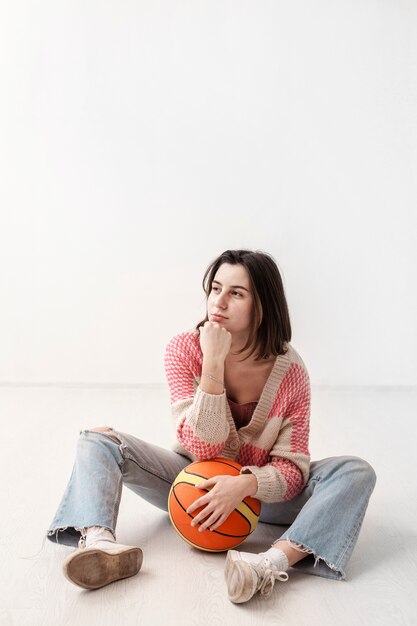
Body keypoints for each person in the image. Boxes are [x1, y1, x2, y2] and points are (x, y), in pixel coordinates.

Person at [47, 249, 376, 603]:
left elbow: (293, 470)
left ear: (262, 305)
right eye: (215, 288)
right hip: (194, 484)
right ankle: (100, 545)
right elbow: (202, 447)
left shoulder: (291, 372)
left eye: (236, 293)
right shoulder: (184, 349)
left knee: (356, 472)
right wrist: (214, 362)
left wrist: (243, 485)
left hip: (261, 496)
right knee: (97, 439)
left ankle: (266, 565)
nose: (218, 301)